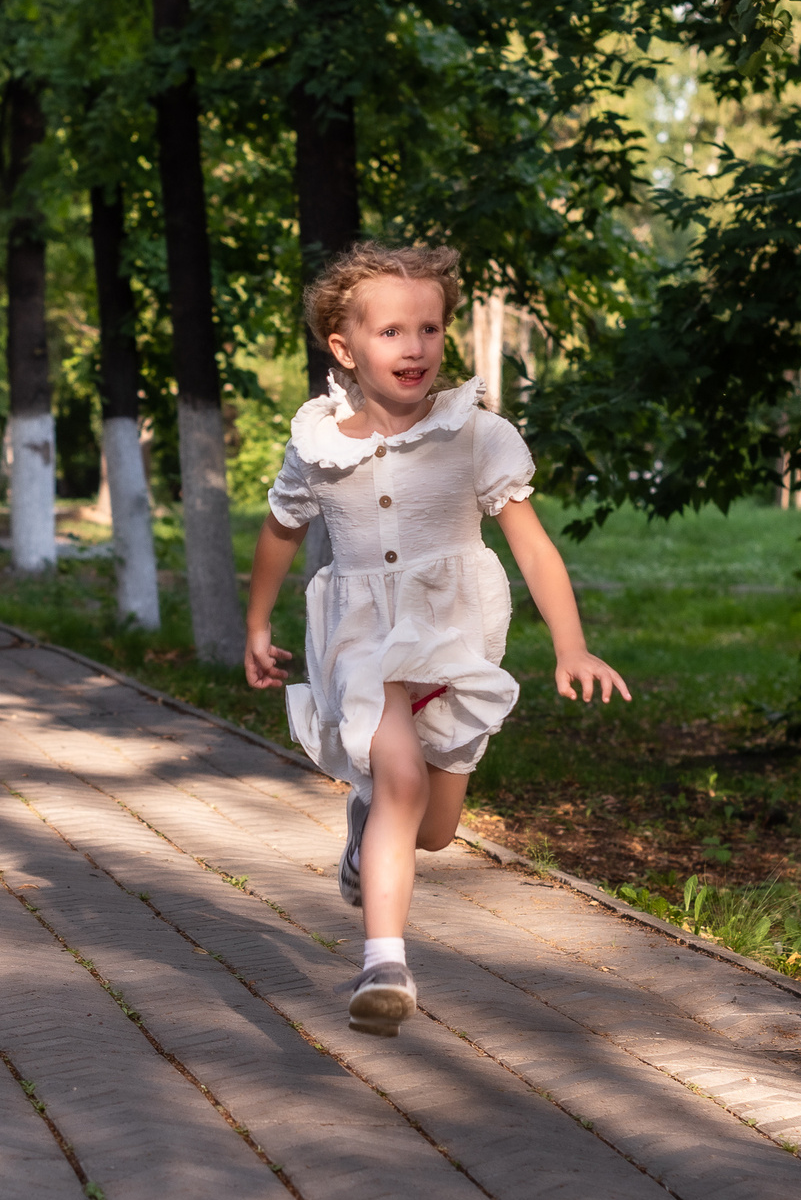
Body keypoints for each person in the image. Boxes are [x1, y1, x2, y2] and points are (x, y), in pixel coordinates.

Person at [244, 242, 630, 1038]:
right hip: (361, 639)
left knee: (435, 828)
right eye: (391, 331)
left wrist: (572, 645)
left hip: (455, 641)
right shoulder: (320, 445)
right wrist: (256, 623)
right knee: (400, 781)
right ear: (345, 347)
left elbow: (531, 546)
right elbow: (280, 531)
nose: (414, 346)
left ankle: (365, 834)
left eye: (428, 328)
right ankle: (384, 962)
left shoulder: (475, 435)